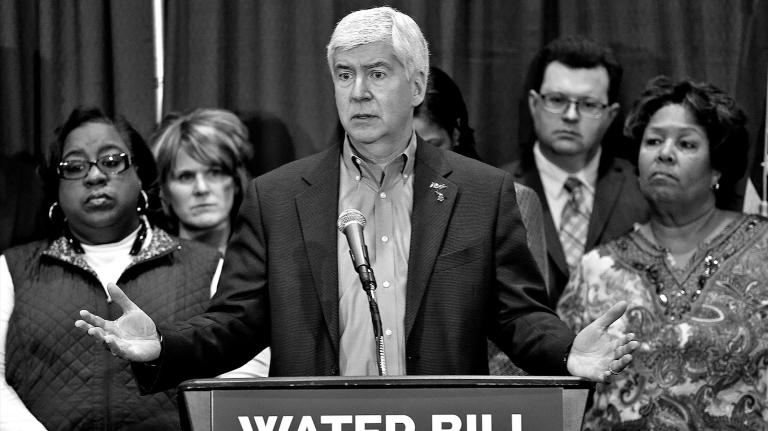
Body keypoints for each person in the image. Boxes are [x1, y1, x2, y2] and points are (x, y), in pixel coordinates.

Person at [76, 7, 637, 387]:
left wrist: (568, 352)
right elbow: (235, 324)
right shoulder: (278, 198)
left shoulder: (481, 193)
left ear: (416, 85)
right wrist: (163, 346)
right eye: (344, 75)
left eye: (377, 73)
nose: (359, 92)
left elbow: (518, 316)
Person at [557, 77, 768, 429]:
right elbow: (549, 380)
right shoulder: (598, 267)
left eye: (686, 144)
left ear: (718, 167)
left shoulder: (763, 248)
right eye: (653, 141)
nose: (664, 153)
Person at [0, 107, 222, 430]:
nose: (94, 176)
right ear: (56, 189)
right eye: (74, 166)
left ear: (140, 173)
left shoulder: (209, 267)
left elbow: (242, 380)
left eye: (112, 161)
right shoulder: (11, 270)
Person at [502, 35, 649, 307]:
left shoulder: (642, 189)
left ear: (610, 115)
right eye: (557, 100)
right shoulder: (495, 190)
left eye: (588, 104)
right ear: (534, 104)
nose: (570, 115)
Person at [151, 107, 270, 377]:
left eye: (215, 172)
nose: (202, 189)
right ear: (164, 190)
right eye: (185, 176)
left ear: (235, 181)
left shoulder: (267, 264)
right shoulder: (149, 271)